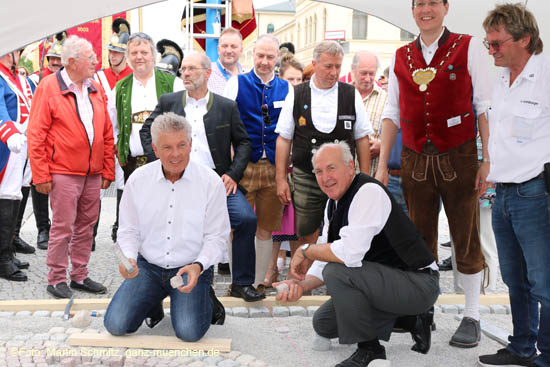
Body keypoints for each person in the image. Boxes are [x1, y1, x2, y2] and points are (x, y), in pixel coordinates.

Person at [375, 0, 492, 347]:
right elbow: (392, 111)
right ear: (413, 10)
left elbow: (484, 106)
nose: (426, 10)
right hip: (414, 159)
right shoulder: (401, 55)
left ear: (445, 7)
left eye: (432, 3)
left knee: (465, 235)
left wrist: (490, 160)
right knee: (418, 239)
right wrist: (382, 164)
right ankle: (423, 309)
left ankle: (472, 314)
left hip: (459, 155)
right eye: (419, 4)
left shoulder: (468, 46)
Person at [276, 142, 439, 367]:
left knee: (338, 270)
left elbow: (348, 254)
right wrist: (299, 286)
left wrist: (306, 250)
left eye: (331, 168)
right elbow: (325, 254)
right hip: (384, 284)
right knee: (323, 323)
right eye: (319, 171)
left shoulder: (368, 191)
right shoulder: (332, 203)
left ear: (351, 166)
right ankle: (410, 318)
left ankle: (370, 349)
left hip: (418, 283)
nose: (325, 177)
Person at [139, 52, 259, 303]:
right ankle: (164, 285)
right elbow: (147, 131)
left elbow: (244, 142)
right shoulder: (169, 101)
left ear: (207, 73)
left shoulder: (226, 106)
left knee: (246, 219)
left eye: (192, 69)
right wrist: (160, 163)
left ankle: (242, 282)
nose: (185, 73)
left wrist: (233, 174)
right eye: (183, 69)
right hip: (177, 179)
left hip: (216, 181)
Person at [104, 112, 229, 341]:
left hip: (190, 267)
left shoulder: (210, 182)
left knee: (189, 332)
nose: (176, 154)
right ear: (155, 148)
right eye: (167, 147)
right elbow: (128, 230)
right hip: (148, 267)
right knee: (116, 324)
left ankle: (207, 300)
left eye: (182, 145)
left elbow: (217, 237)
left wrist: (199, 266)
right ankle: (154, 300)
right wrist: (129, 258)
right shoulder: (138, 180)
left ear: (191, 144)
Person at [478, 4, 550, 367]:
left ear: (524, 39)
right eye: (487, 43)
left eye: (496, 44)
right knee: (514, 279)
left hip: (535, 192)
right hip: (502, 192)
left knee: (544, 283)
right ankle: (522, 346)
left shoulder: (547, 73)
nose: (490, 50)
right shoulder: (501, 77)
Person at [27, 35, 115, 299]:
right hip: (63, 172)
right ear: (73, 62)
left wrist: (107, 169)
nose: (96, 62)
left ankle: (79, 275)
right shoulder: (49, 86)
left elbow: (106, 132)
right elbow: (36, 134)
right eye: (91, 58)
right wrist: (41, 173)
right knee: (63, 227)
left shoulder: (94, 87)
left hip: (92, 173)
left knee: (86, 226)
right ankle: (55, 278)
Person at [275, 40, 372, 249]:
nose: (334, 72)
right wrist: (281, 179)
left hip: (344, 178)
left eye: (338, 66)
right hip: (306, 175)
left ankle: (336, 276)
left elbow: (362, 138)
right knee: (305, 230)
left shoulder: (350, 93)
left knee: (344, 229)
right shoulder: (296, 93)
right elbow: (283, 139)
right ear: (314, 64)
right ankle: (306, 275)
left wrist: (364, 179)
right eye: (329, 66)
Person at [224, 34, 289, 297]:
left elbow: (288, 132)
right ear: (253, 55)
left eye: (270, 57)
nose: (264, 61)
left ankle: (258, 281)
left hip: (273, 167)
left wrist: (283, 172)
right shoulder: (236, 83)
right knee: (237, 224)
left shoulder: (287, 88)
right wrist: (230, 168)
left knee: (266, 226)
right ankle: (237, 281)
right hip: (243, 166)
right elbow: (226, 127)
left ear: (278, 58)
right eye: (260, 56)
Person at [109, 32, 184, 184]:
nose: (139, 57)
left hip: (167, 165)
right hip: (131, 167)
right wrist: (121, 150)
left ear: (153, 56)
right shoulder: (119, 89)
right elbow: (112, 127)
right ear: (128, 57)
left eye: (144, 52)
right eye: (134, 53)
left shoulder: (174, 84)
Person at [92, 17, 133, 244]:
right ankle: (91, 234)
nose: (113, 56)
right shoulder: (98, 77)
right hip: (101, 140)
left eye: (118, 52)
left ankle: (120, 230)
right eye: (111, 52)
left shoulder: (132, 77)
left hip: (124, 139)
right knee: (97, 186)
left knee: (125, 185)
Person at [266, 54, 303, 287]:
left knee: (299, 222)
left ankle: (296, 269)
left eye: (300, 79)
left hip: (300, 167)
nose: (296, 84)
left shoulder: (306, 100)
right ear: (281, 78)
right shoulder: (275, 98)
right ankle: (271, 268)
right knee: (275, 219)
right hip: (276, 165)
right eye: (291, 79)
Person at [0, 49, 35, 281]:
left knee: (14, 196)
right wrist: (10, 133)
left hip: (20, 145)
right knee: (5, 195)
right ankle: (2, 259)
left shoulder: (16, 77)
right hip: (5, 144)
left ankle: (7, 251)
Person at [350, 50, 387, 176]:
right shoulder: (342, 96)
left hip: (373, 176)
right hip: (344, 178)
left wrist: (381, 146)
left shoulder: (386, 100)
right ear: (353, 70)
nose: (367, 78)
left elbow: (399, 136)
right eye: (363, 73)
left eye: (372, 74)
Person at [208, 27, 245, 96]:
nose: (228, 51)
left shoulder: (247, 77)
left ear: (241, 50)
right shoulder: (206, 74)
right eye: (224, 46)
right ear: (218, 49)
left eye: (233, 47)